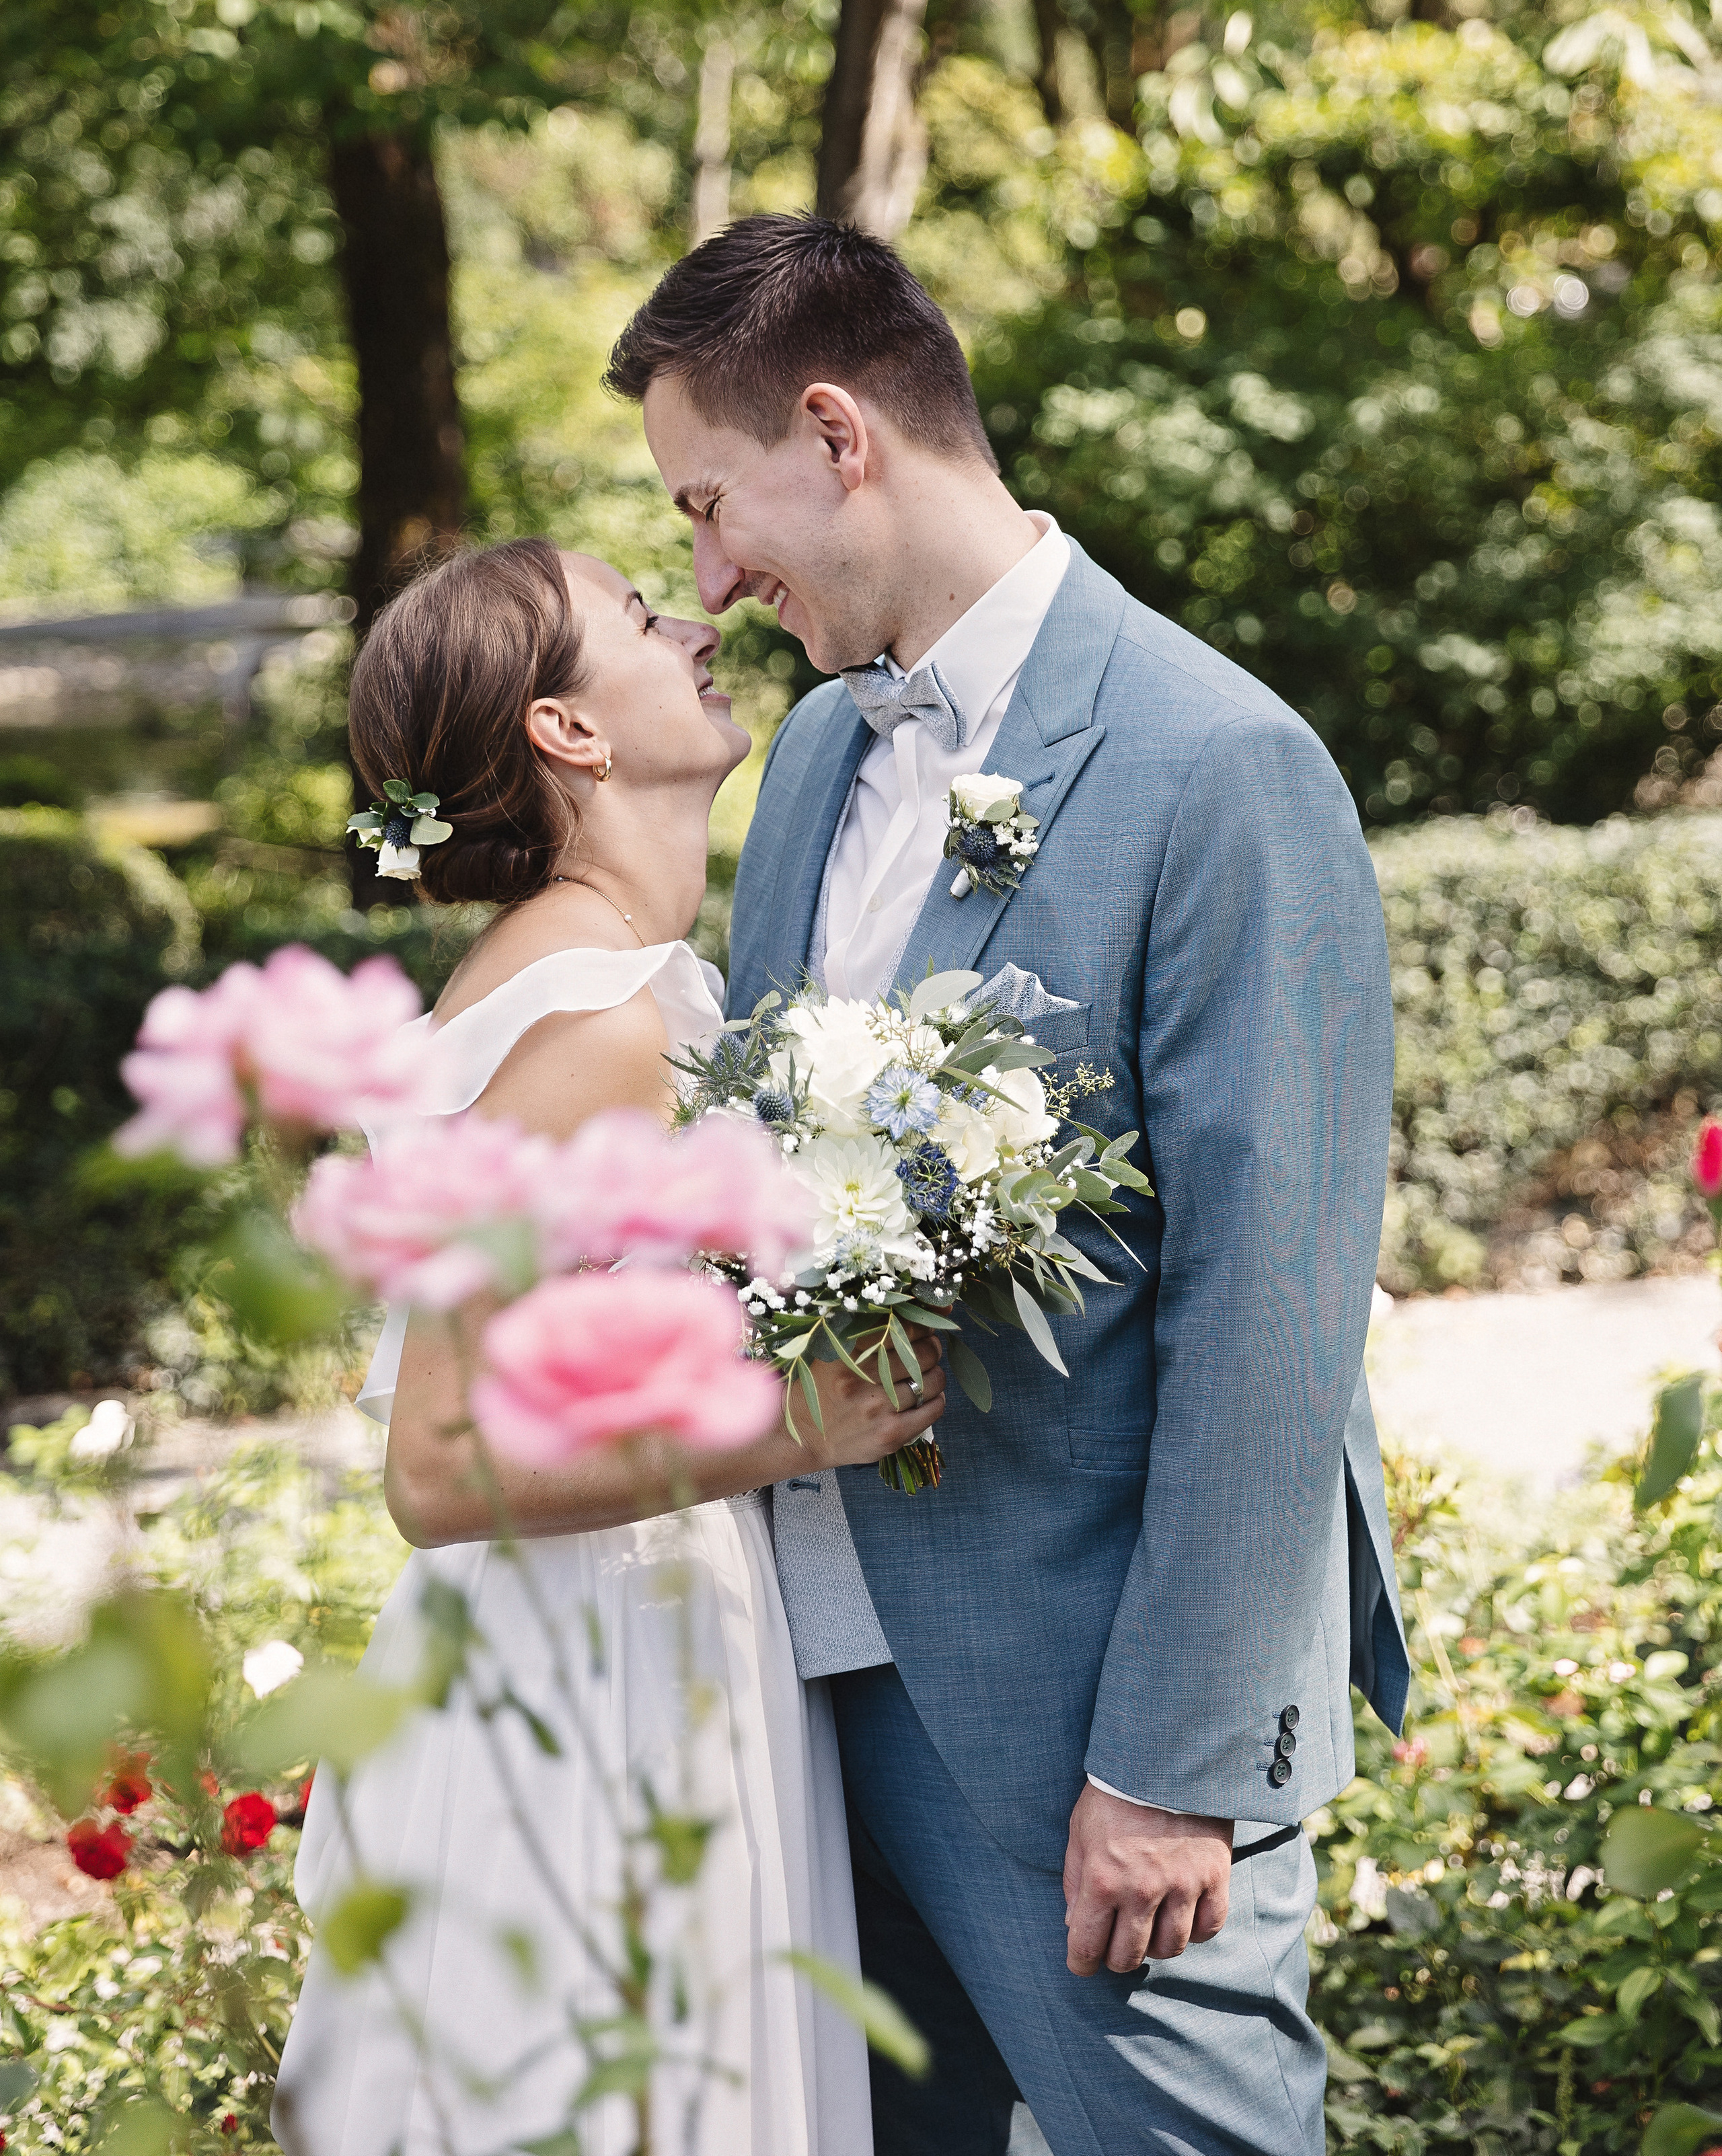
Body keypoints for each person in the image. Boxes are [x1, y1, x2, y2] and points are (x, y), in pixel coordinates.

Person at [607, 215, 1411, 2156]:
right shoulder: (806, 761)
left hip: (1086, 1743)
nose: (710, 575)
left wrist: (1173, 1766)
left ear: (836, 432)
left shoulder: (1226, 764)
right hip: (812, 1702)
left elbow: (1273, 1304)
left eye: (715, 506)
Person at [273, 537, 939, 2156]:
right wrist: (804, 1425)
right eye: (638, 615)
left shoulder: (615, 984)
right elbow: (436, 1468)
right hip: (599, 1669)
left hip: (642, 1621)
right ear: (568, 732)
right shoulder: (591, 1019)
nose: (694, 620)